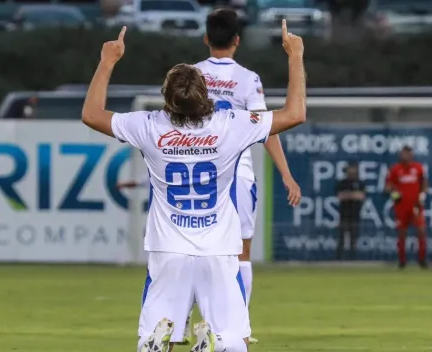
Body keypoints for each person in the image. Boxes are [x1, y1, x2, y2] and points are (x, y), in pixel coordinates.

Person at [82, 21, 306, 352]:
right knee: (233, 340)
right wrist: (295, 55)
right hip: (218, 250)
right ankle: (216, 345)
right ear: (205, 94)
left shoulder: (148, 125)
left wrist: (107, 61)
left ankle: (162, 342)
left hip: (167, 250)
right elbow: (295, 113)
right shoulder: (230, 125)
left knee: (154, 339)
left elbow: (91, 114)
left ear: (167, 97)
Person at [189, 9, 301, 345]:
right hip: (237, 173)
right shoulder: (248, 79)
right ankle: (238, 327)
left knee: (196, 248)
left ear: (207, 38)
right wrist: (285, 172)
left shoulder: (190, 75)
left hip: (197, 171)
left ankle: (189, 322)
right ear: (237, 40)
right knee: (241, 253)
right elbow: (266, 128)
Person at [385, 146, 428, 269]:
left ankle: (422, 260)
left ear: (411, 154)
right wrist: (395, 194)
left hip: (416, 206)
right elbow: (388, 186)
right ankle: (402, 261)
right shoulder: (395, 169)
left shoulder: (418, 168)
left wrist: (422, 194)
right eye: (403, 154)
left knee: (421, 231)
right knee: (402, 233)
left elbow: (424, 183)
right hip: (401, 207)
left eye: (408, 153)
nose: (405, 156)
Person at [335, 162, 365, 260]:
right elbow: (340, 196)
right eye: (350, 169)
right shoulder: (343, 183)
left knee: (354, 239)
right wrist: (353, 195)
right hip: (344, 214)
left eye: (354, 169)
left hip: (355, 214)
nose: (352, 171)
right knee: (341, 238)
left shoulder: (360, 183)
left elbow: (361, 196)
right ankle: (338, 259)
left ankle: (353, 259)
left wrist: (348, 195)